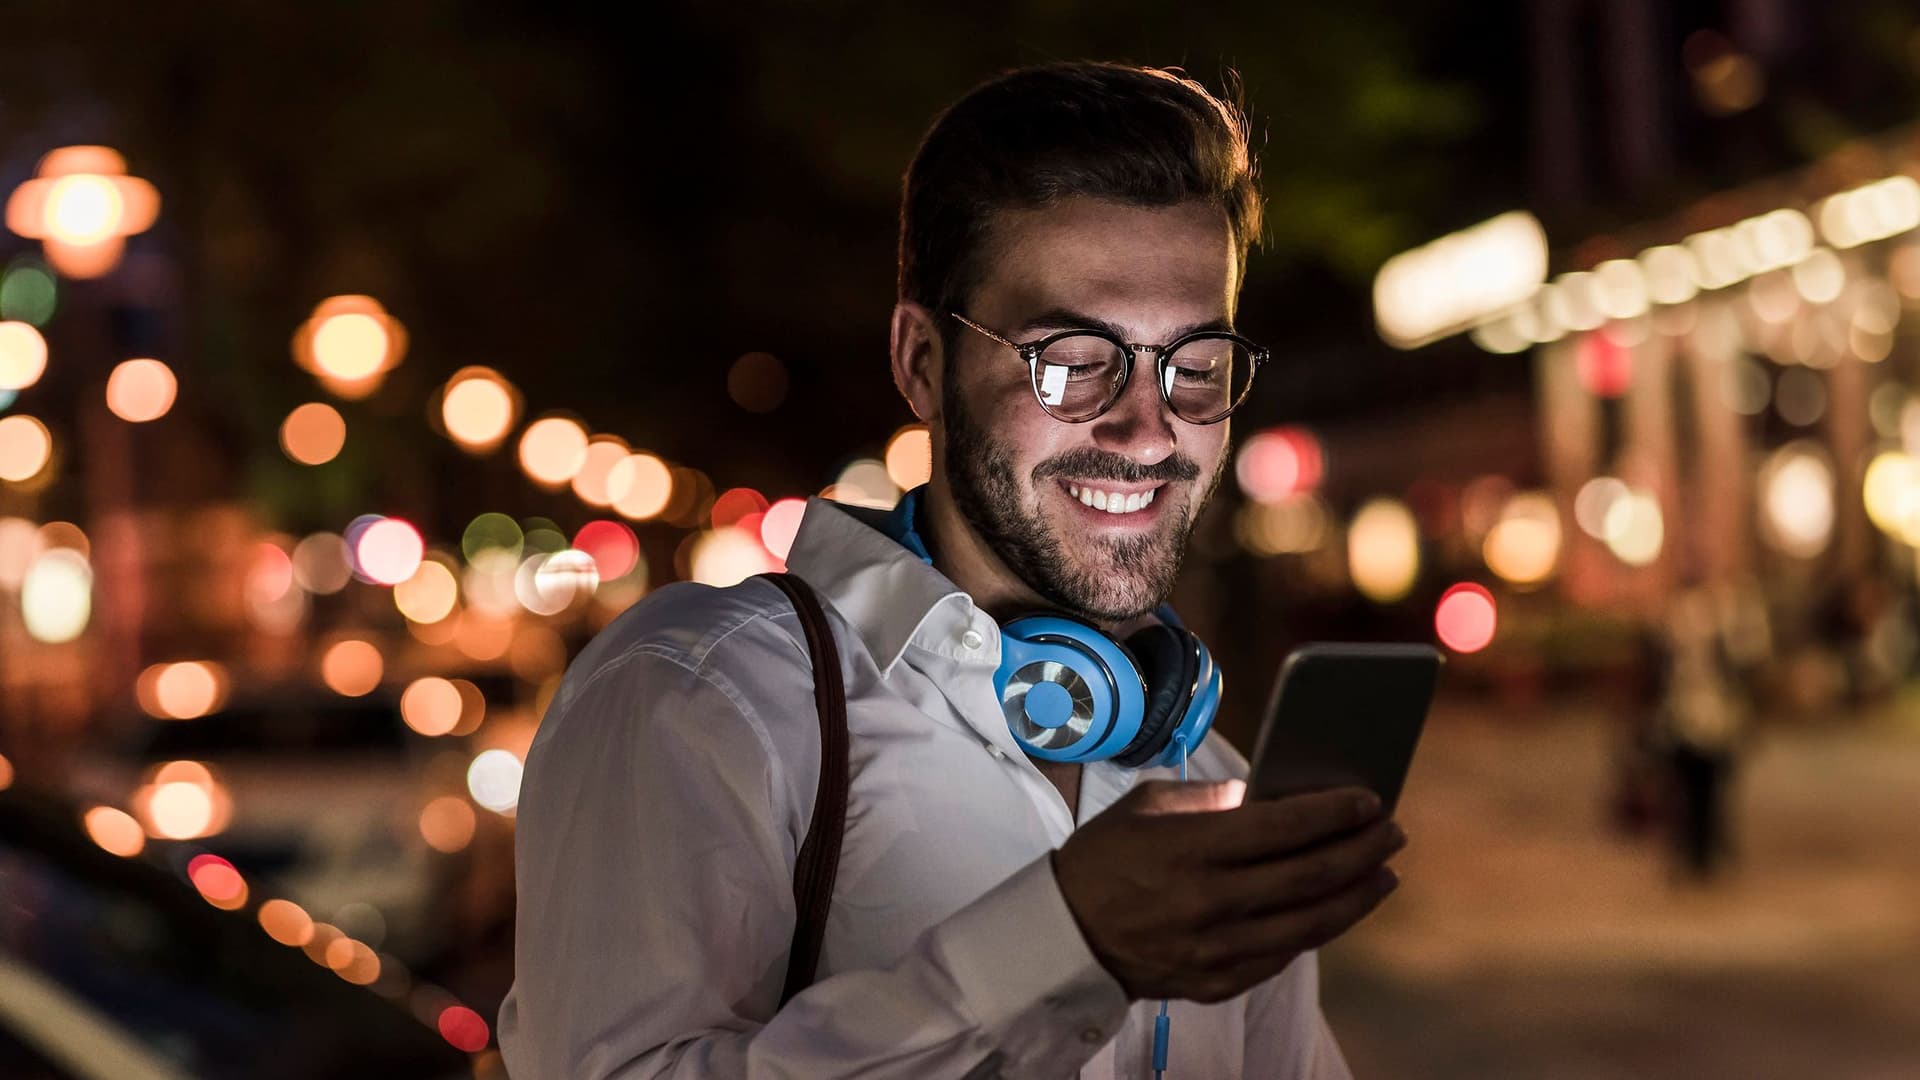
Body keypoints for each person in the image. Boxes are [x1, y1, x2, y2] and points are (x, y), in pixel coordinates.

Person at [499, 61, 1405, 1078]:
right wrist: (1067, 946)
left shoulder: (1205, 782)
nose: (1149, 430)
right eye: (1070, 361)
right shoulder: (704, 696)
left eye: (1194, 368)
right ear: (922, 362)